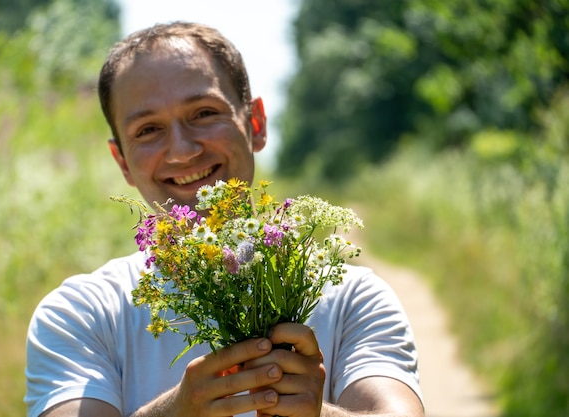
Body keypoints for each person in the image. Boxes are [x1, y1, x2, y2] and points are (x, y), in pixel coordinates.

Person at [25, 21, 425, 417]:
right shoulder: (79, 314)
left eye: (203, 113)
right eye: (148, 129)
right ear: (122, 162)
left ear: (255, 124)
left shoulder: (353, 300)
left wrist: (319, 414)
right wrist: (176, 413)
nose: (181, 151)